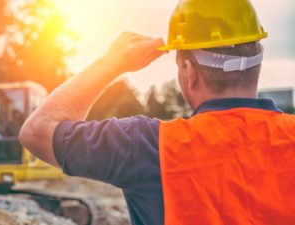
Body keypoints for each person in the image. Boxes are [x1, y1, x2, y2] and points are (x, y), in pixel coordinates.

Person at [19, 0, 295, 224]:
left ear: (189, 73)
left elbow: (37, 131)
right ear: (256, 61)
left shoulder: (147, 146)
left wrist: (111, 64)